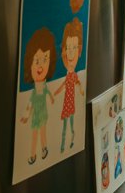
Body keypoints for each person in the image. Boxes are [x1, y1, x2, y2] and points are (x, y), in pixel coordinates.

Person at [20, 26, 57, 164]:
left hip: (43, 114)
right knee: (35, 134)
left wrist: (52, 99)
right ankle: (32, 155)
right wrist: (26, 116)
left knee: (42, 132)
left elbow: (48, 93)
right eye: (36, 61)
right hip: (36, 116)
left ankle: (44, 148)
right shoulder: (34, 91)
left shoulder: (44, 86)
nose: (40, 66)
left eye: (45, 59)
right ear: (30, 63)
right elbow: (30, 104)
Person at [53, 17, 84, 153]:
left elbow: (77, 84)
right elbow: (63, 85)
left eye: (74, 48)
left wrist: (81, 90)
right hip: (67, 102)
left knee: (71, 123)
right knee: (65, 123)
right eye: (68, 48)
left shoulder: (74, 75)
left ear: (79, 50)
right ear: (63, 50)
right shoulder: (68, 75)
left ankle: (72, 138)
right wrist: (55, 92)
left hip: (71, 102)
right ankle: (64, 143)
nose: (71, 53)